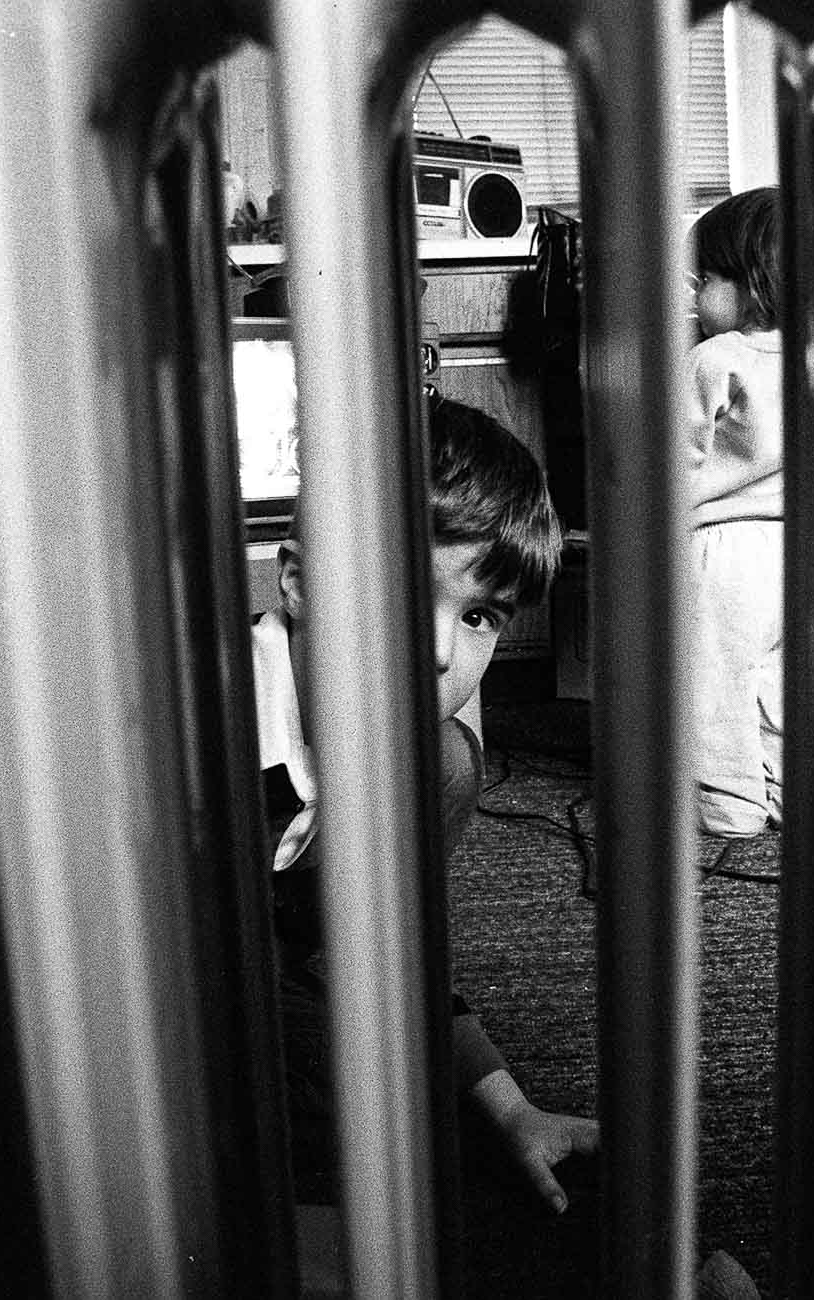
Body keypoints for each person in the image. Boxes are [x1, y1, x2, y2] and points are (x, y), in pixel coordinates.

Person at [252, 396, 600, 1215]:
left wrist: (512, 1110)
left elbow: (387, 945)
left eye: (479, 617)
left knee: (395, 1105)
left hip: (284, 954)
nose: (440, 653)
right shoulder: (190, 733)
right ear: (298, 581)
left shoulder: (437, 766)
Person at [684, 186, 786, 837]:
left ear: (752, 284)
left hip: (720, 552)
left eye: (707, 279)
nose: (695, 295)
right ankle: (780, 780)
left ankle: (726, 800)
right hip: (795, 551)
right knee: (774, 674)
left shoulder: (717, 358)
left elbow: (673, 460)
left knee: (714, 678)